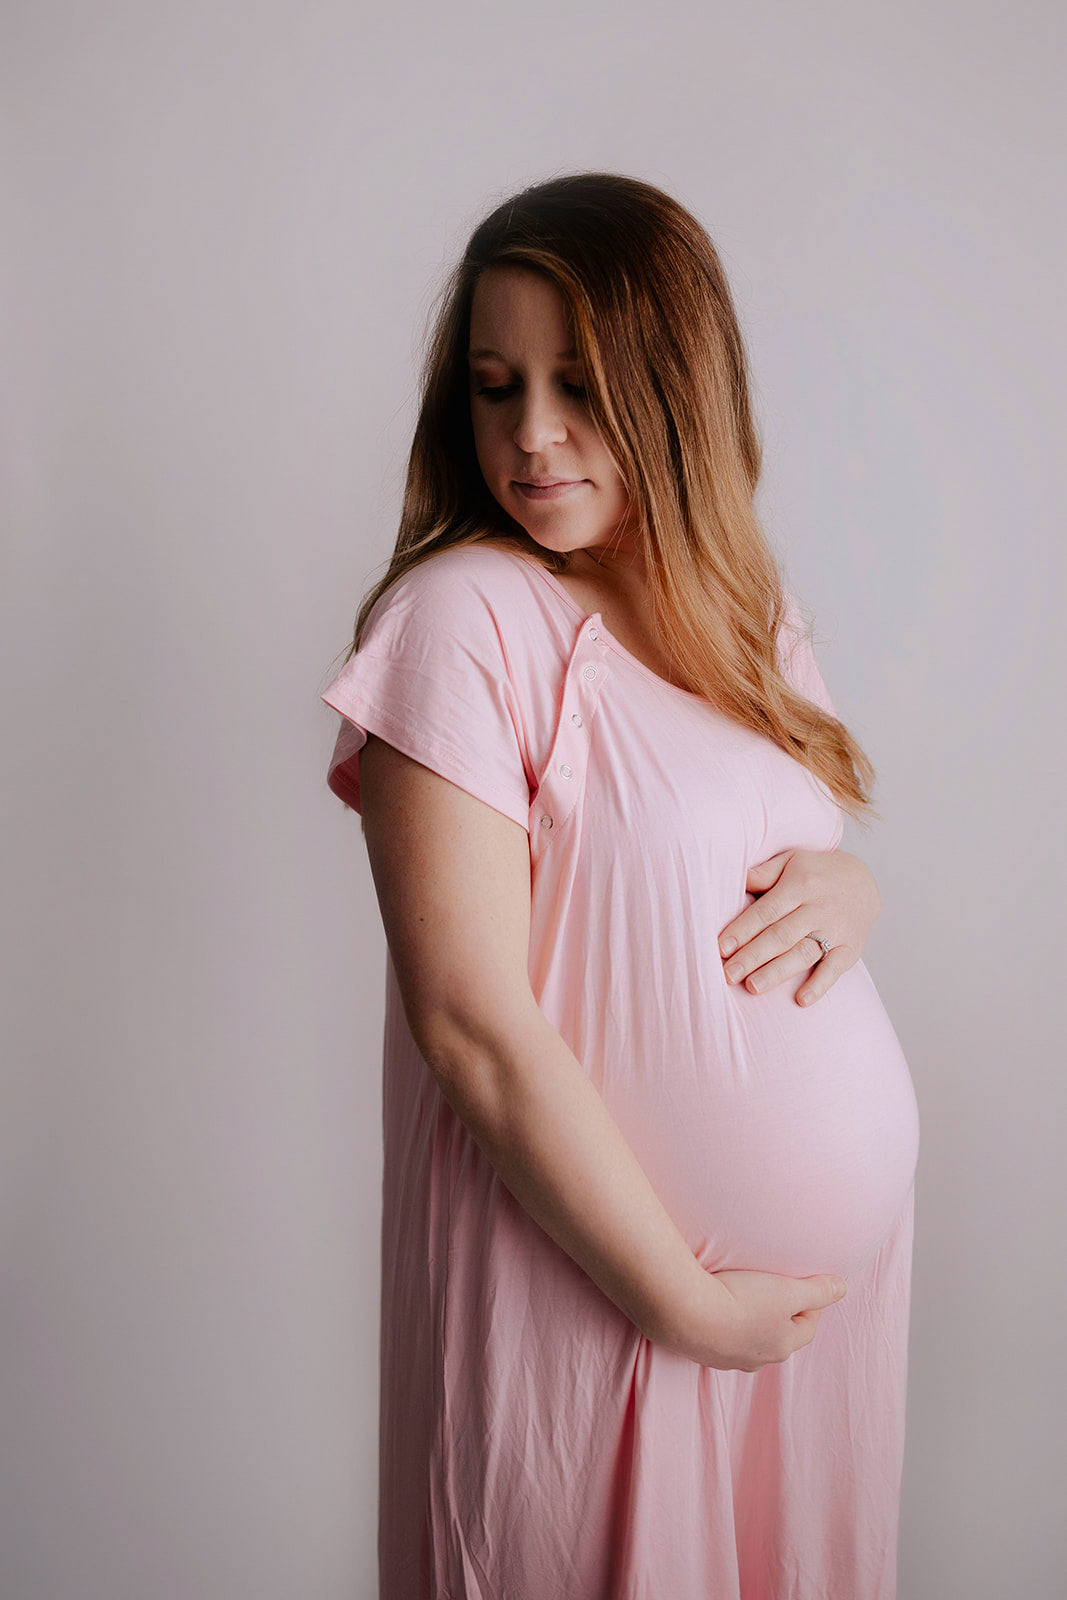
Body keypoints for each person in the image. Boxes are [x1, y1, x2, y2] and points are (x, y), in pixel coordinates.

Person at [320, 172, 921, 1600]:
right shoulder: (461, 617)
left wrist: (859, 896)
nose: (531, 436)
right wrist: (683, 1306)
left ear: (675, 388)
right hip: (599, 1302)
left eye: (579, 385)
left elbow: (788, 851)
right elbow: (469, 1022)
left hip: (800, 1334)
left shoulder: (741, 615)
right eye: (495, 385)